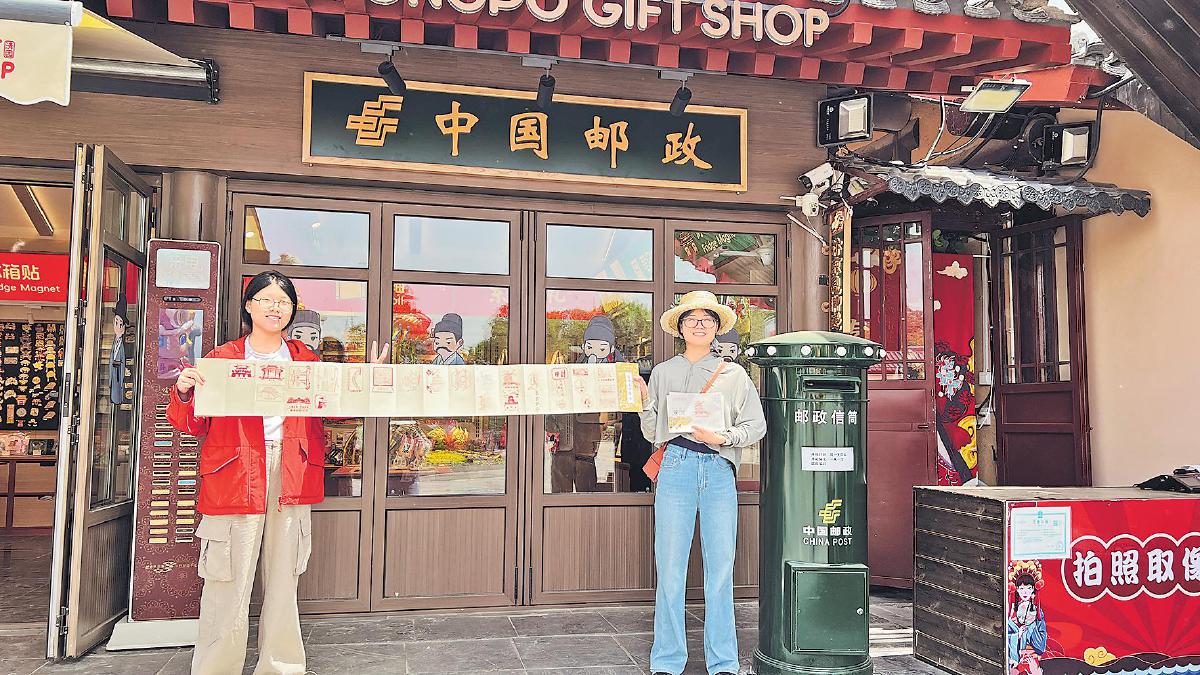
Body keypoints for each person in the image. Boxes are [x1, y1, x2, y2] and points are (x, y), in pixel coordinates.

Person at [170, 271, 389, 675]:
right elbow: (192, 424)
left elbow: (334, 410)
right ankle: (216, 668)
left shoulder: (306, 360)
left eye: (284, 302)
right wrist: (184, 392)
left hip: (291, 472)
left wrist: (366, 383)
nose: (276, 308)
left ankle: (281, 666)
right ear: (249, 305)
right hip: (235, 475)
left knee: (284, 581)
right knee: (226, 581)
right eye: (267, 300)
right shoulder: (221, 359)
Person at [637, 290, 766, 675]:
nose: (699, 325)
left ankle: (724, 662)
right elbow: (651, 432)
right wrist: (644, 403)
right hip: (675, 466)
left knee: (721, 569)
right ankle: (666, 660)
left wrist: (723, 437)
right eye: (691, 319)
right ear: (680, 328)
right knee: (670, 568)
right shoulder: (663, 373)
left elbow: (756, 425)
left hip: (718, 470)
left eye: (707, 320)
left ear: (716, 328)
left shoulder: (733, 375)